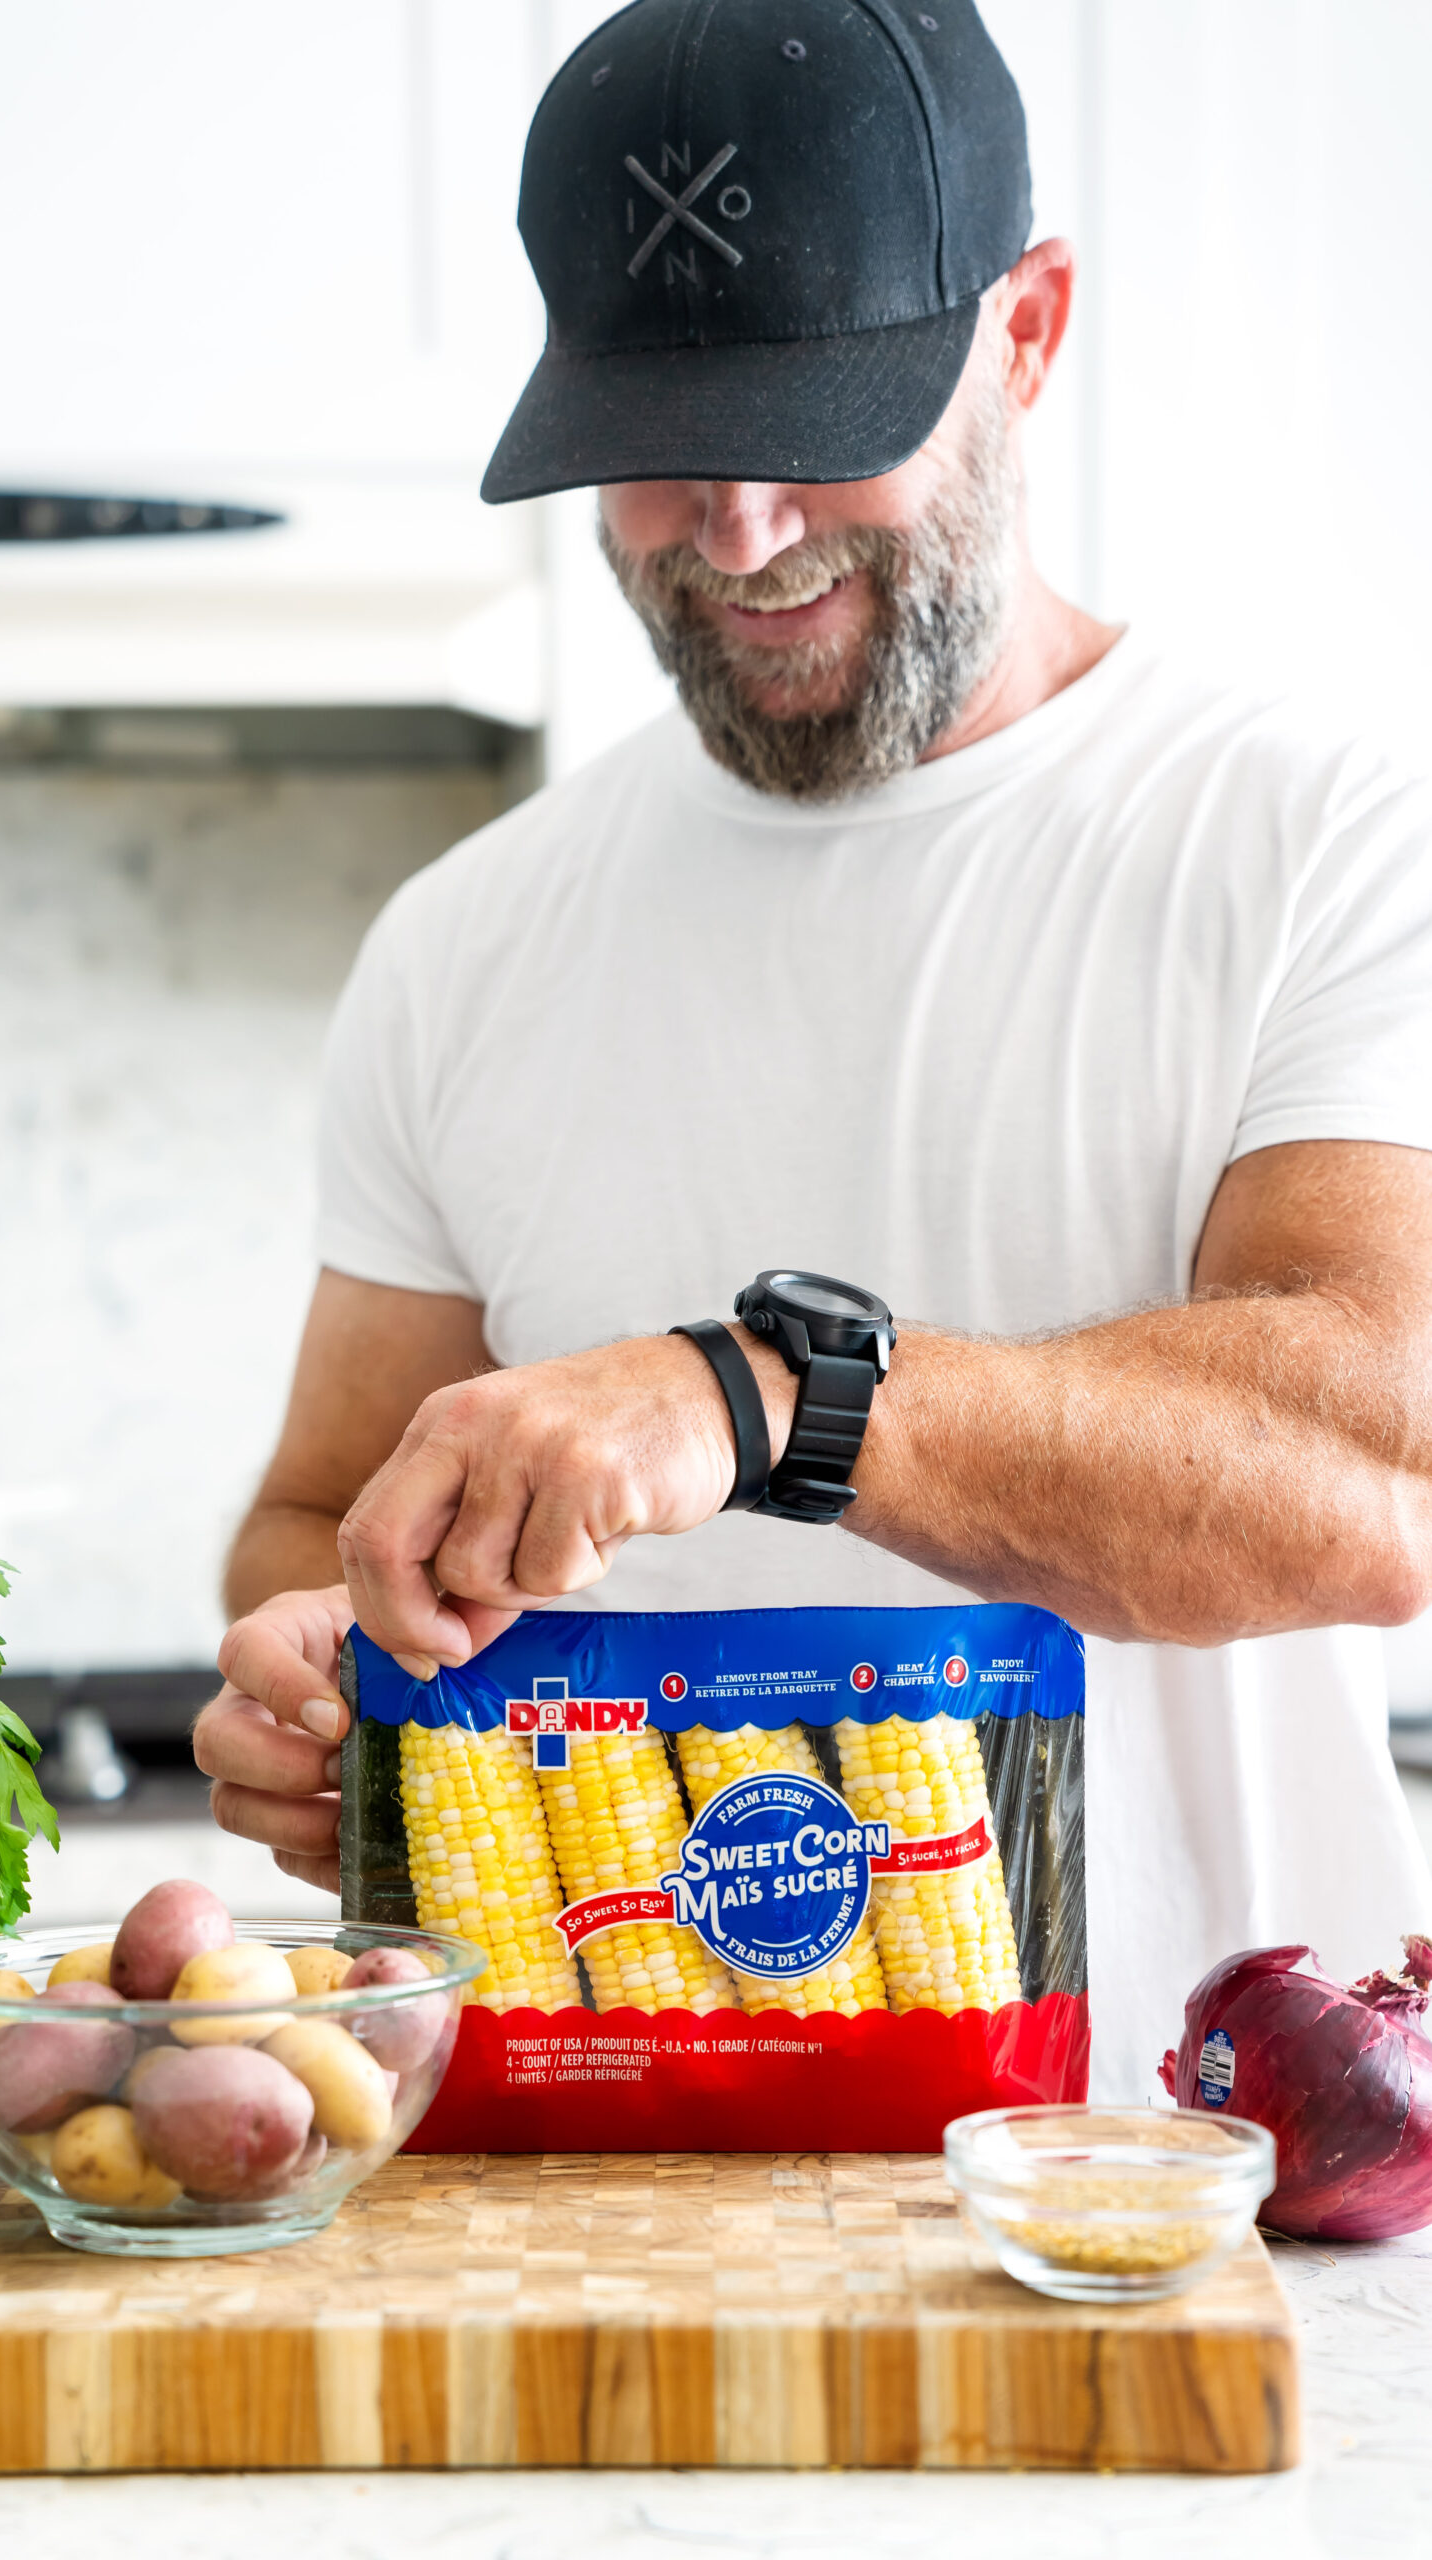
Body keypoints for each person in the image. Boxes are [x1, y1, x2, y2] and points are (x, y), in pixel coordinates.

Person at [194, 0, 1432, 2101]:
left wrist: (766, 1396)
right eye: (661, 449)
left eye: (818, 416)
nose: (741, 527)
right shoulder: (464, 941)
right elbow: (319, 1512)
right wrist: (311, 1681)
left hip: (1176, 2205)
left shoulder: (1320, 838)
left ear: (1025, 333)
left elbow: (1373, 1472)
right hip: (617, 2201)